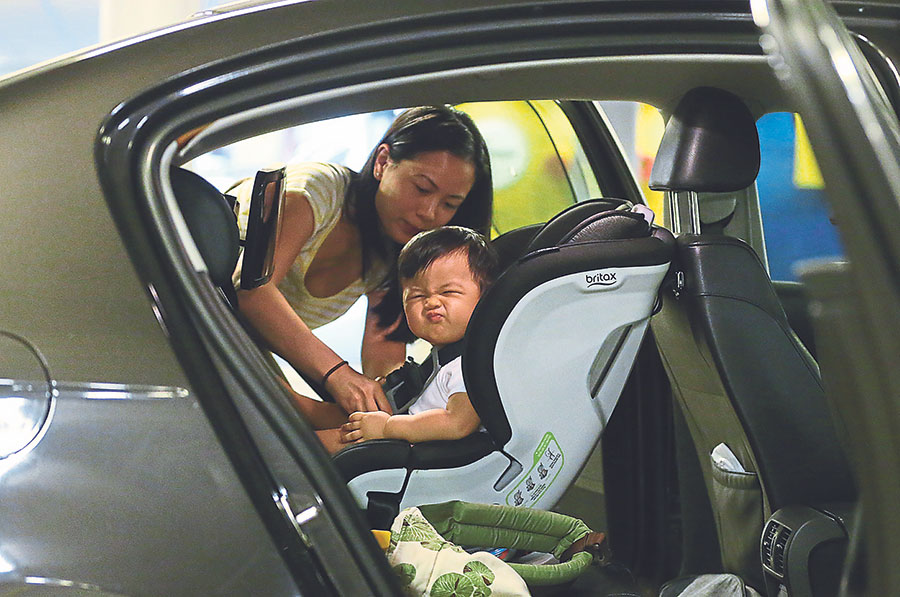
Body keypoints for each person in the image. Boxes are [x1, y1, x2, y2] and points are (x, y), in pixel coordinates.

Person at [231, 106, 493, 416]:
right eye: (422, 188)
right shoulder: (315, 192)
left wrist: (390, 399)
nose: (429, 213)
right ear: (383, 162)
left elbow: (384, 355)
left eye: (449, 204)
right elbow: (252, 290)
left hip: (234, 342)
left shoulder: (397, 252)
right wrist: (337, 375)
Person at [336, 226, 498, 448]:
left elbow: (458, 423)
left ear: (486, 297)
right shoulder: (441, 362)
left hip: (413, 454)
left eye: (448, 292)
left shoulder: (471, 365)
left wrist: (387, 428)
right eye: (417, 295)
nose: (431, 302)